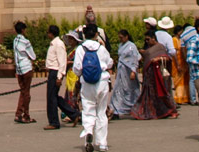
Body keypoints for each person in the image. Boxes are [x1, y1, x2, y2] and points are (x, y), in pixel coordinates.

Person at [73, 22, 113, 152]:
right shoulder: (101, 48)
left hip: (87, 83)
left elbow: (77, 69)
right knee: (101, 112)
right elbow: (109, 63)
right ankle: (102, 144)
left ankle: (88, 132)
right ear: (97, 34)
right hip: (101, 82)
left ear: (84, 34)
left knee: (88, 110)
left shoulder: (80, 49)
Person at [129, 32, 177, 120]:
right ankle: (150, 112)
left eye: (148, 39)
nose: (147, 42)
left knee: (162, 93)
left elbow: (167, 58)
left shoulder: (160, 47)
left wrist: (158, 59)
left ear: (153, 38)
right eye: (145, 40)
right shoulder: (149, 49)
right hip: (149, 76)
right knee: (149, 94)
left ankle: (171, 110)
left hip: (159, 75)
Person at [108, 30, 140, 119]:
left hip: (128, 71)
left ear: (126, 37)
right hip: (121, 71)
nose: (120, 39)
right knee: (118, 90)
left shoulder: (131, 46)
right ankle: (116, 110)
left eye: (121, 37)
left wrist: (133, 71)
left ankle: (135, 108)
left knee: (130, 90)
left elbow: (134, 59)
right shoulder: (121, 46)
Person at [44, 25, 69, 129]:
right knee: (53, 97)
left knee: (52, 98)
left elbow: (62, 61)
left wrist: (59, 77)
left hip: (55, 72)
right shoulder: (53, 44)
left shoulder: (58, 44)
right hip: (52, 72)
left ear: (51, 33)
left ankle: (54, 122)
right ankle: (73, 114)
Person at [13, 21, 36, 123]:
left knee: (23, 91)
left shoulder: (15, 41)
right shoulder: (26, 42)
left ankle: (18, 113)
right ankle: (26, 115)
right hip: (26, 68)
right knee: (26, 93)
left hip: (19, 69)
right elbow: (33, 56)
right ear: (23, 30)